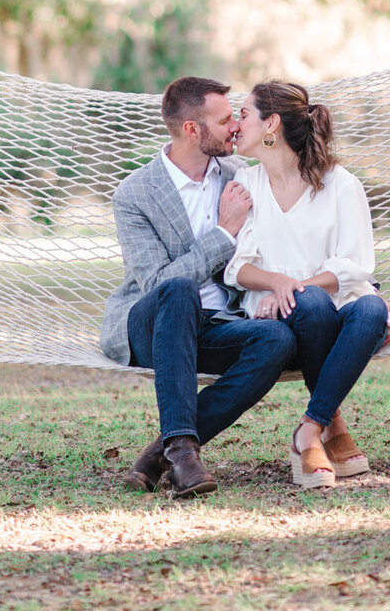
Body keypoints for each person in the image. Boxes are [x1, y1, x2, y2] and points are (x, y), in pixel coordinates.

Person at [100, 74, 297, 498]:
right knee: (179, 291)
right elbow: (156, 284)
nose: (237, 128)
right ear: (193, 129)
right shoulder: (135, 194)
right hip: (151, 325)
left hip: (216, 324)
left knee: (277, 339)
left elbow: (292, 241)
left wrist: (364, 290)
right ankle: (185, 456)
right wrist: (224, 234)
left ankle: (168, 451)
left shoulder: (241, 176)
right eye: (227, 119)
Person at [226, 80, 390, 488]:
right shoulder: (245, 186)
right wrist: (279, 286)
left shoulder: (341, 184)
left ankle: (310, 427)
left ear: (271, 125)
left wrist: (294, 285)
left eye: (245, 114)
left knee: (372, 309)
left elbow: (354, 265)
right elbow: (236, 267)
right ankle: (333, 426)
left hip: (340, 311)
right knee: (312, 305)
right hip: (281, 316)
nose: (236, 124)